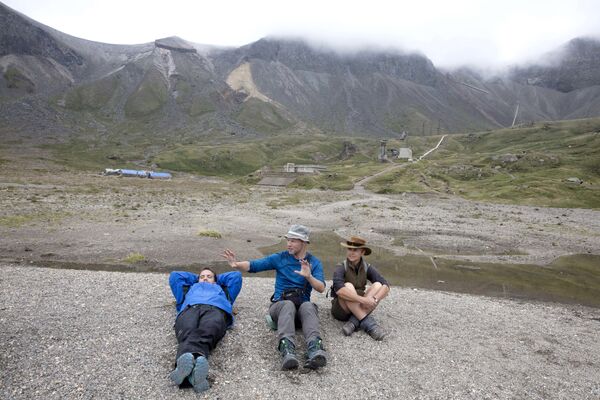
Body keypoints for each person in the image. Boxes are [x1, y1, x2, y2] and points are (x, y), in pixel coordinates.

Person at [222, 224, 327, 370]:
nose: (288, 244)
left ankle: (315, 348)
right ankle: (287, 350)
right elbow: (254, 265)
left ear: (303, 242)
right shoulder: (280, 258)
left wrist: (309, 276)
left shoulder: (314, 262)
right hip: (281, 306)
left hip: (301, 312)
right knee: (287, 305)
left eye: (293, 240)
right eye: (287, 240)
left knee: (309, 305)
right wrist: (236, 264)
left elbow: (321, 288)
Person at [168, 267, 242, 393]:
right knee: (187, 329)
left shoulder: (220, 289)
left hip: (216, 309)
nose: (205, 278)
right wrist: (197, 279)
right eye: (202, 276)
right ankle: (195, 369)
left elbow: (236, 276)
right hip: (191, 307)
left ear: (215, 280)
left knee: (208, 330)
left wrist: (215, 279)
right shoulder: (193, 287)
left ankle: (184, 372)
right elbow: (175, 276)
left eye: (209, 276)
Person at [331, 236, 390, 340]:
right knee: (347, 286)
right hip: (342, 309)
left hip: (360, 305)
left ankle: (353, 322)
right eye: (349, 249)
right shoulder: (340, 267)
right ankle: (370, 326)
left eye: (355, 250)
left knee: (378, 285)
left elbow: (386, 285)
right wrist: (364, 300)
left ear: (362, 252)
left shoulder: (367, 267)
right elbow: (339, 290)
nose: (351, 252)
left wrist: (374, 299)